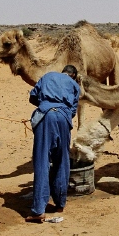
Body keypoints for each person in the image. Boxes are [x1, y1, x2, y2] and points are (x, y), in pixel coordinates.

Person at [25, 65, 80, 223]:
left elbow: (33, 97)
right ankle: (60, 203)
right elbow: (73, 111)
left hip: (46, 117)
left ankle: (38, 210)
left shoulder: (47, 76)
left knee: (42, 160)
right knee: (62, 160)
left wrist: (47, 105)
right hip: (64, 119)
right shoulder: (75, 85)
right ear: (73, 75)